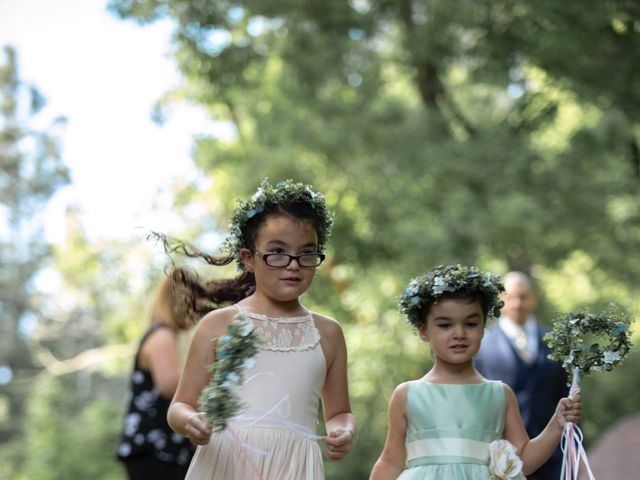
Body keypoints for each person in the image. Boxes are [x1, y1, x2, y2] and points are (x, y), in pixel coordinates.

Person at [166, 178, 356, 479]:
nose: (293, 265)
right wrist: (190, 420)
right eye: (277, 252)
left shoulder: (328, 333)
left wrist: (342, 430)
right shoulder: (219, 324)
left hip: (294, 467)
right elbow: (180, 405)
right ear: (248, 259)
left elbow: (339, 411)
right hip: (228, 463)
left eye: (307, 253)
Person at [370, 265, 581, 480]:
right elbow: (390, 461)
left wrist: (556, 424)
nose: (459, 333)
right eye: (445, 325)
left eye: (470, 324)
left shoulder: (500, 394)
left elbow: (523, 462)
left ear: (483, 329)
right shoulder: (407, 395)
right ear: (424, 331)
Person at [474, 270, 568, 479]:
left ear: (533, 299)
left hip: (554, 454)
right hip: (503, 458)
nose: (517, 303)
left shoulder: (556, 343)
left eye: (523, 297)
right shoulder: (482, 346)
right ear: (500, 301)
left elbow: (567, 395)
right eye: (510, 297)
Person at [116, 274, 197, 479]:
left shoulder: (162, 334)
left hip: (157, 449)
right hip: (156, 449)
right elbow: (170, 386)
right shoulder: (163, 335)